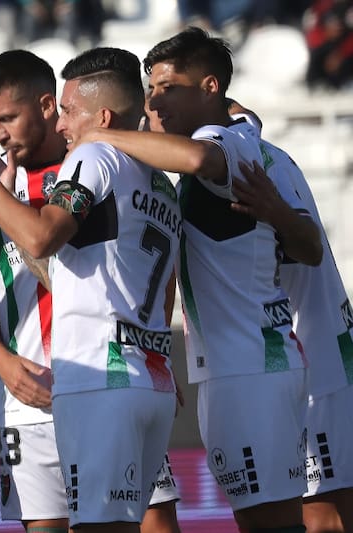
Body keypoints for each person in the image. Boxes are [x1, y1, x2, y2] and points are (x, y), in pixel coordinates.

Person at [81, 27, 323, 532]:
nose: (154, 99)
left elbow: (194, 156)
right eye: (150, 89)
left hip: (250, 367)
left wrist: (97, 134)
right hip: (235, 366)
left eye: (168, 87)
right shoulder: (233, 137)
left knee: (273, 525)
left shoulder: (219, 142)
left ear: (210, 87)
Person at [0, 46, 180, 532]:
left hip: (95, 376)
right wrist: (1, 362)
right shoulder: (145, 173)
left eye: (7, 117)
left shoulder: (92, 164)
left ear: (48, 106)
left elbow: (43, 239)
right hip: (37, 396)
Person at [225, 100, 353, 533]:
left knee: (321, 516)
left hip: (309, 360)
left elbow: (307, 249)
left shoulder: (247, 166)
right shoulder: (254, 147)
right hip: (315, 353)